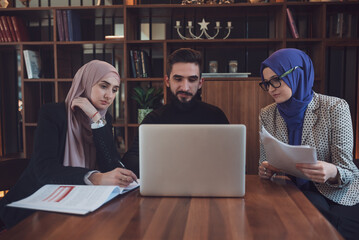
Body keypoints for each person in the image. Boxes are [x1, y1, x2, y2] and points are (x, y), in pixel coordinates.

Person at [0, 60, 137, 229]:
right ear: (85, 83)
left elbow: (110, 164)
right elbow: (44, 170)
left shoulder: (103, 119)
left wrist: (95, 118)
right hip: (33, 212)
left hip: (78, 206)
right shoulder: (53, 114)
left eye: (114, 90)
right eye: (104, 86)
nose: (109, 95)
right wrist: (95, 177)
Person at [258, 48, 359, 240]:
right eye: (266, 84)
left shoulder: (335, 108)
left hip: (335, 194)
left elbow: (350, 173)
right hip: (287, 191)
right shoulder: (267, 113)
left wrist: (332, 172)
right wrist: (265, 170)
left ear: (297, 73)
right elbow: (264, 162)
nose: (271, 89)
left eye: (276, 80)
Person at [122, 48, 229, 176]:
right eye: (178, 79)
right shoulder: (153, 119)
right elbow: (131, 160)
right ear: (167, 81)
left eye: (192, 79)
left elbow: (233, 159)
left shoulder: (216, 116)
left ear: (200, 83)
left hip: (207, 186)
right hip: (165, 186)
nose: (185, 87)